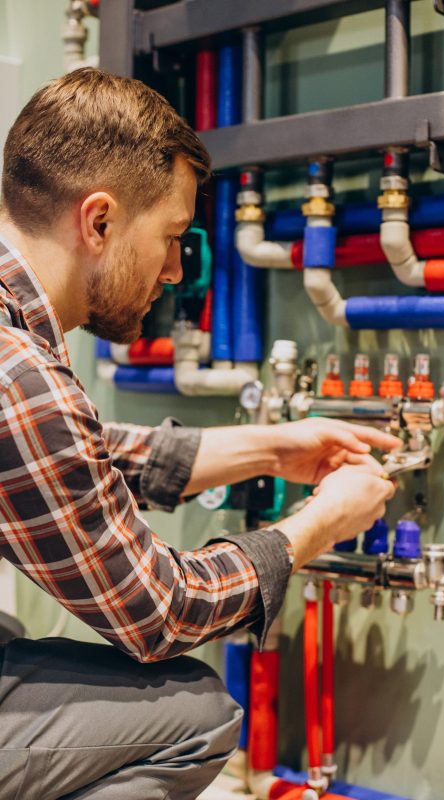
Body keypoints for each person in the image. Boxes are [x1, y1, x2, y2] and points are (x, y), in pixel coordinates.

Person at [0, 68, 397, 800]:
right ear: (99, 221)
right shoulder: (18, 373)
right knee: (196, 713)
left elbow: (65, 462)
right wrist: (319, 524)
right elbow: (160, 613)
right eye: (173, 237)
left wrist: (270, 445)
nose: (178, 269)